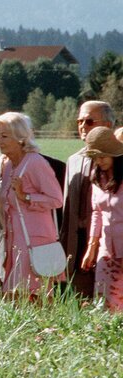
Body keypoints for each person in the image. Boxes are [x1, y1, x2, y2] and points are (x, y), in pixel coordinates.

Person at [0, 112, 64, 296]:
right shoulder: (8, 165)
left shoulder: (35, 163)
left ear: (21, 138)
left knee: (33, 295)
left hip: (35, 242)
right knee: (15, 294)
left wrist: (26, 196)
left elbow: (56, 199)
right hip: (13, 241)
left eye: (5, 136)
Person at [60, 101, 115, 297]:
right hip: (76, 246)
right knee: (81, 301)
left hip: (109, 244)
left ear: (107, 125)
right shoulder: (73, 160)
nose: (83, 126)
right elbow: (67, 210)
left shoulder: (117, 160)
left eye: (89, 121)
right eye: (80, 121)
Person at [79, 127, 123, 312]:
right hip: (106, 248)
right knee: (104, 295)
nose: (99, 161)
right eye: (95, 157)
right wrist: (92, 247)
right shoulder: (98, 179)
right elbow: (97, 212)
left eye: (103, 156)